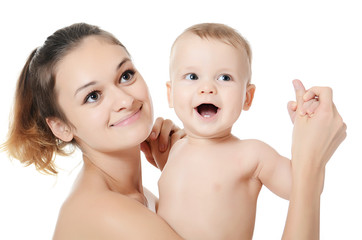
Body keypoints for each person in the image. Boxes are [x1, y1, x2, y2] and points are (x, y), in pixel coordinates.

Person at [1, 23, 346, 239]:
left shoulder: (142, 196)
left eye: (125, 75)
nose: (124, 99)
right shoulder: (103, 212)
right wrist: (310, 158)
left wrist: (190, 167)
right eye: (93, 96)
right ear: (60, 126)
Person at [157, 23, 346, 240]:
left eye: (224, 78)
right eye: (192, 76)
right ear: (170, 94)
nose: (207, 87)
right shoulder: (174, 148)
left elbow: (305, 185)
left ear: (247, 97)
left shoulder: (251, 154)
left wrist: (309, 132)